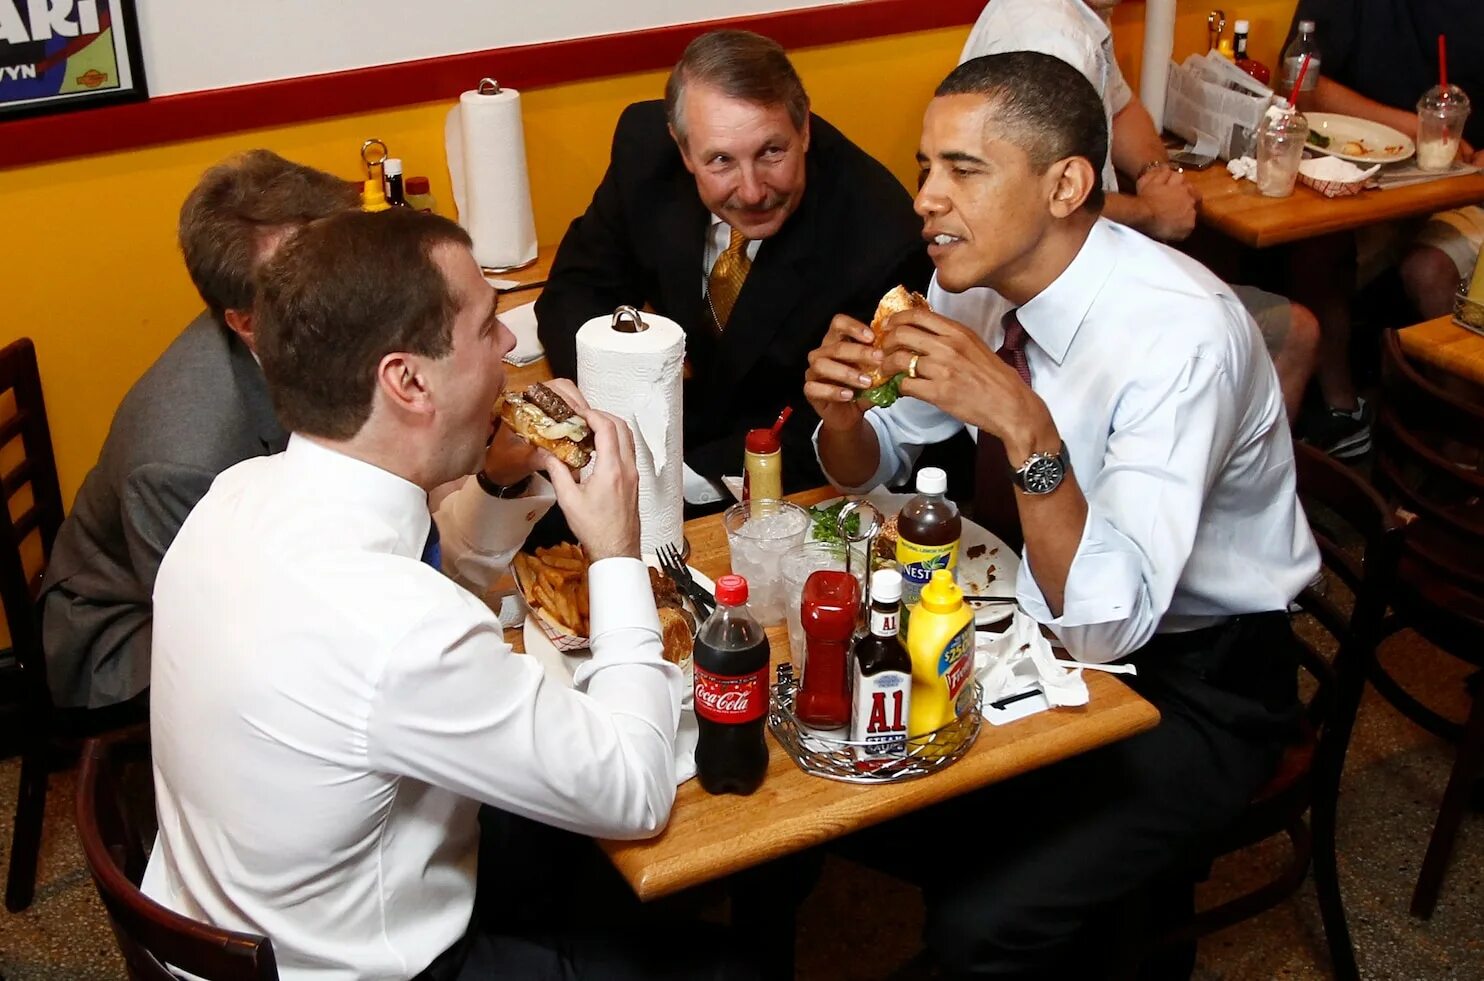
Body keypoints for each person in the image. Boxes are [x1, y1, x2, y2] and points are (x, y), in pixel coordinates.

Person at [806, 53, 1318, 976]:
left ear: (1066, 184)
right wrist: (845, 416)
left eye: (963, 170)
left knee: (981, 922)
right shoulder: (965, 274)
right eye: (927, 167)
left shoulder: (1180, 338)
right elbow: (872, 464)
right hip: (1027, 621)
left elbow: (1108, 621)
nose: (926, 197)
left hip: (1198, 673)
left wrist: (1021, 423)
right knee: (838, 790)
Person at [142, 209, 732, 980]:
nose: (511, 346)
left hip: (250, 909)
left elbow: (412, 594)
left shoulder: (237, 494)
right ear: (409, 380)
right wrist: (616, 552)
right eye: (488, 326)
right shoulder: (400, 633)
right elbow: (635, 789)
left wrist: (501, 477)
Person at [536, 29, 932, 505]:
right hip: (634, 434)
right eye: (721, 160)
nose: (751, 191)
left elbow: (846, 425)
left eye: (772, 152)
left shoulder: (881, 238)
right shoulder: (643, 150)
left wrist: (676, 482)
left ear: (804, 128)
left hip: (763, 480)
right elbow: (576, 291)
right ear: (682, 150)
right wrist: (612, 413)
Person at [40, 150, 358, 710]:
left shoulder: (289, 328)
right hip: (128, 631)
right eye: (312, 285)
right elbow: (220, 633)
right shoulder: (182, 457)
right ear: (246, 323)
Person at [960, 0, 1321, 423]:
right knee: (1297, 332)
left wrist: (1155, 174)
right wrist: (1151, 212)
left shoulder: (1078, 14)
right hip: (1055, 290)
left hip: (1084, 260)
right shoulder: (1055, 39)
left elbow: (1122, 107)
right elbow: (1041, 207)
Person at [1279, 1, 1483, 455]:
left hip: (1470, 186)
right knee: (1314, 242)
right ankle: (1344, 412)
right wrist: (1418, 128)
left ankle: (1458, 451)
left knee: (1430, 269)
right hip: (1370, 175)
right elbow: (1302, 82)